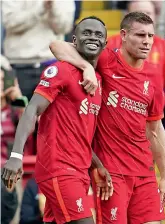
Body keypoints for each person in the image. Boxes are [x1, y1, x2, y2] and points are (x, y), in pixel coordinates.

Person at [49, 12, 165, 224]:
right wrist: (87, 66)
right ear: (123, 35)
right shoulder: (105, 59)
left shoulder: (152, 81)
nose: (147, 41)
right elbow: (56, 45)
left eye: (150, 36)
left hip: (144, 173)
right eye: (140, 35)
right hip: (112, 174)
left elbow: (155, 130)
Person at [1, 16, 113, 224]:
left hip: (79, 171)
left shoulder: (96, 80)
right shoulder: (61, 71)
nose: (92, 37)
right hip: (60, 169)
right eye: (86, 33)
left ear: (105, 44)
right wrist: (16, 155)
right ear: (74, 40)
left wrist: (97, 165)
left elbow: (79, 133)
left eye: (98, 34)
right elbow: (32, 109)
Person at [107, 0, 165, 146]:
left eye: (148, 14)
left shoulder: (164, 47)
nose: (144, 19)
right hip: (116, 115)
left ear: (156, 17)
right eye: (138, 16)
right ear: (126, 18)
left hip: (153, 116)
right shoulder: (110, 44)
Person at [2, 0, 75, 101]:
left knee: (51, 115)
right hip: (18, 66)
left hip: (51, 66)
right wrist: (41, 8)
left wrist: (52, 7)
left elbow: (64, 27)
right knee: (18, 114)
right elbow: (9, 22)